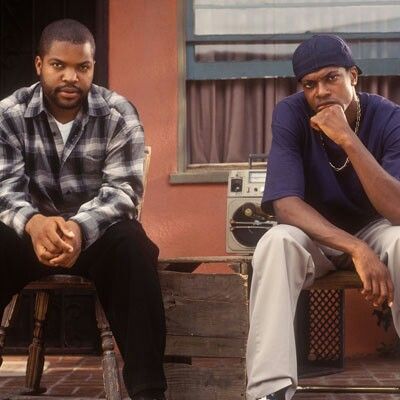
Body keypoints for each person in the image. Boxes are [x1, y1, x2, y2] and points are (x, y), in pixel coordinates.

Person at [0, 19, 167, 400]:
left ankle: (148, 391)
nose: (71, 77)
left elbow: (123, 191)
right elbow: (4, 186)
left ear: (93, 67)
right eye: (59, 65)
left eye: (82, 67)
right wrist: (34, 223)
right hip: (30, 233)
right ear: (39, 64)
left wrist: (77, 229)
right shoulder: (9, 113)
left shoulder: (117, 113)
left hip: (95, 237)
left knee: (134, 247)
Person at [246, 34, 400, 400]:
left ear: (354, 76)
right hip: (315, 234)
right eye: (310, 84)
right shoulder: (290, 113)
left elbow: (396, 210)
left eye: (332, 78)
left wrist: (347, 138)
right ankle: (270, 390)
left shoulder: (389, 117)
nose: (320, 92)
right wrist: (357, 249)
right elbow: (284, 204)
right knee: (275, 242)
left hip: (376, 226)